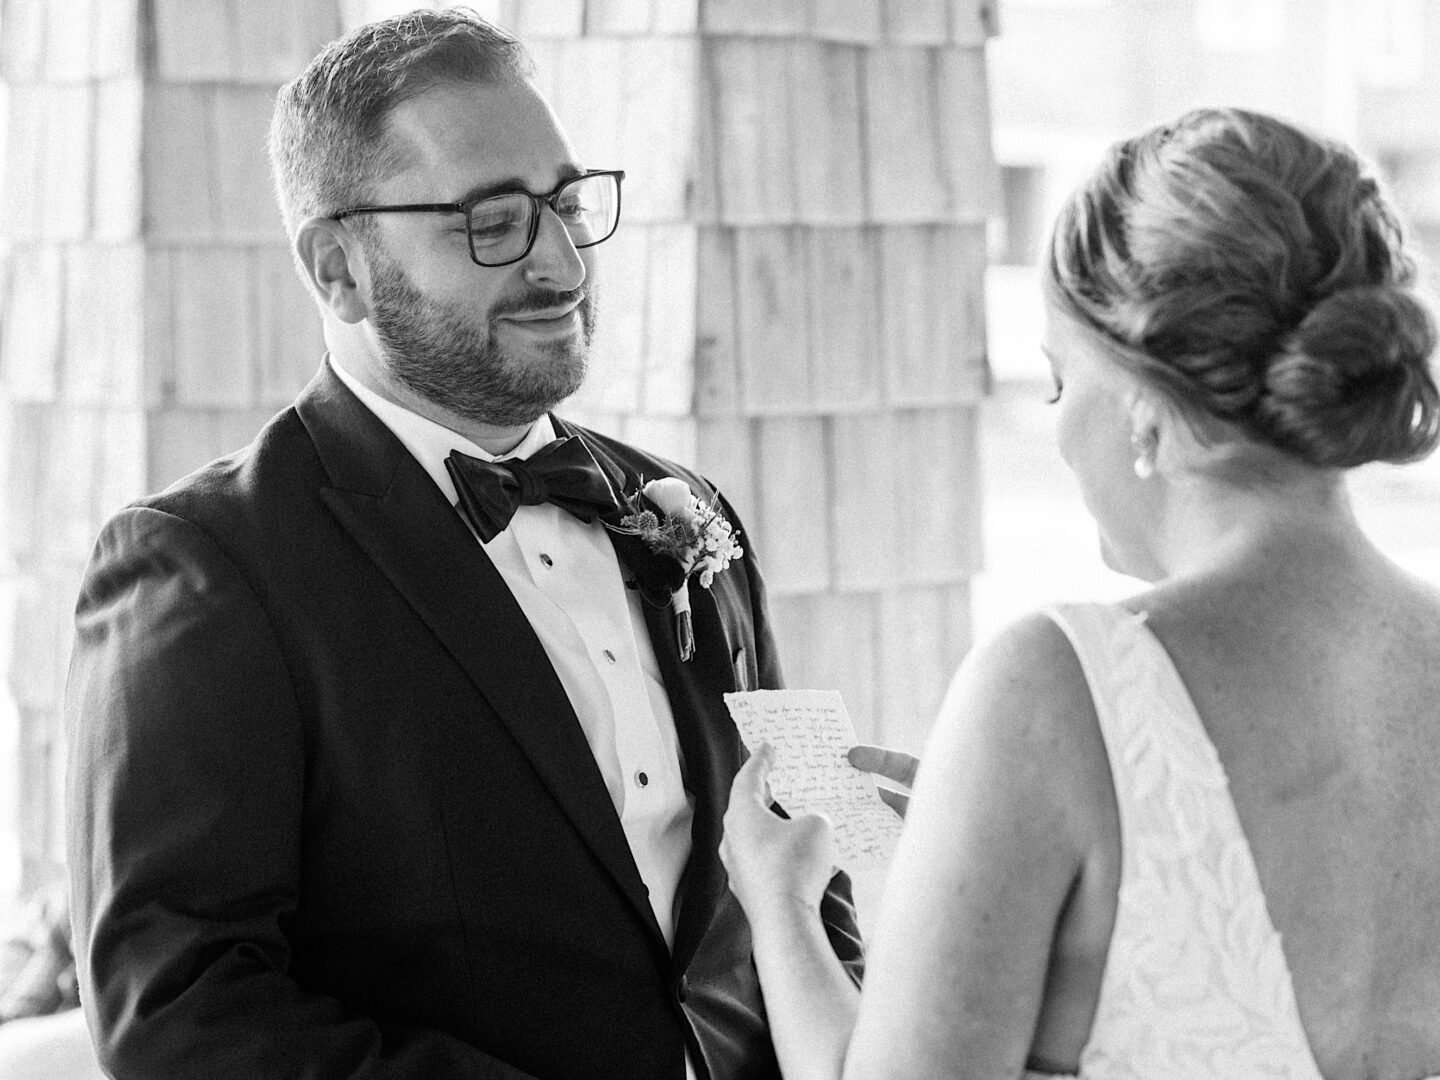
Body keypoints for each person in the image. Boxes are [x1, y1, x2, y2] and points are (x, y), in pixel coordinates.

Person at [64, 9, 863, 1079]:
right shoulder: (206, 566)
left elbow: (811, 863)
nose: (563, 264)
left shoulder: (690, 510)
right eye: (492, 222)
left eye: (567, 205)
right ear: (338, 268)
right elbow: (180, 1015)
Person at [720, 107, 1440, 1080]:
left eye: (1060, 385)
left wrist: (780, 906)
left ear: (1144, 404)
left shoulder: (1054, 691)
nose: (1057, 432)